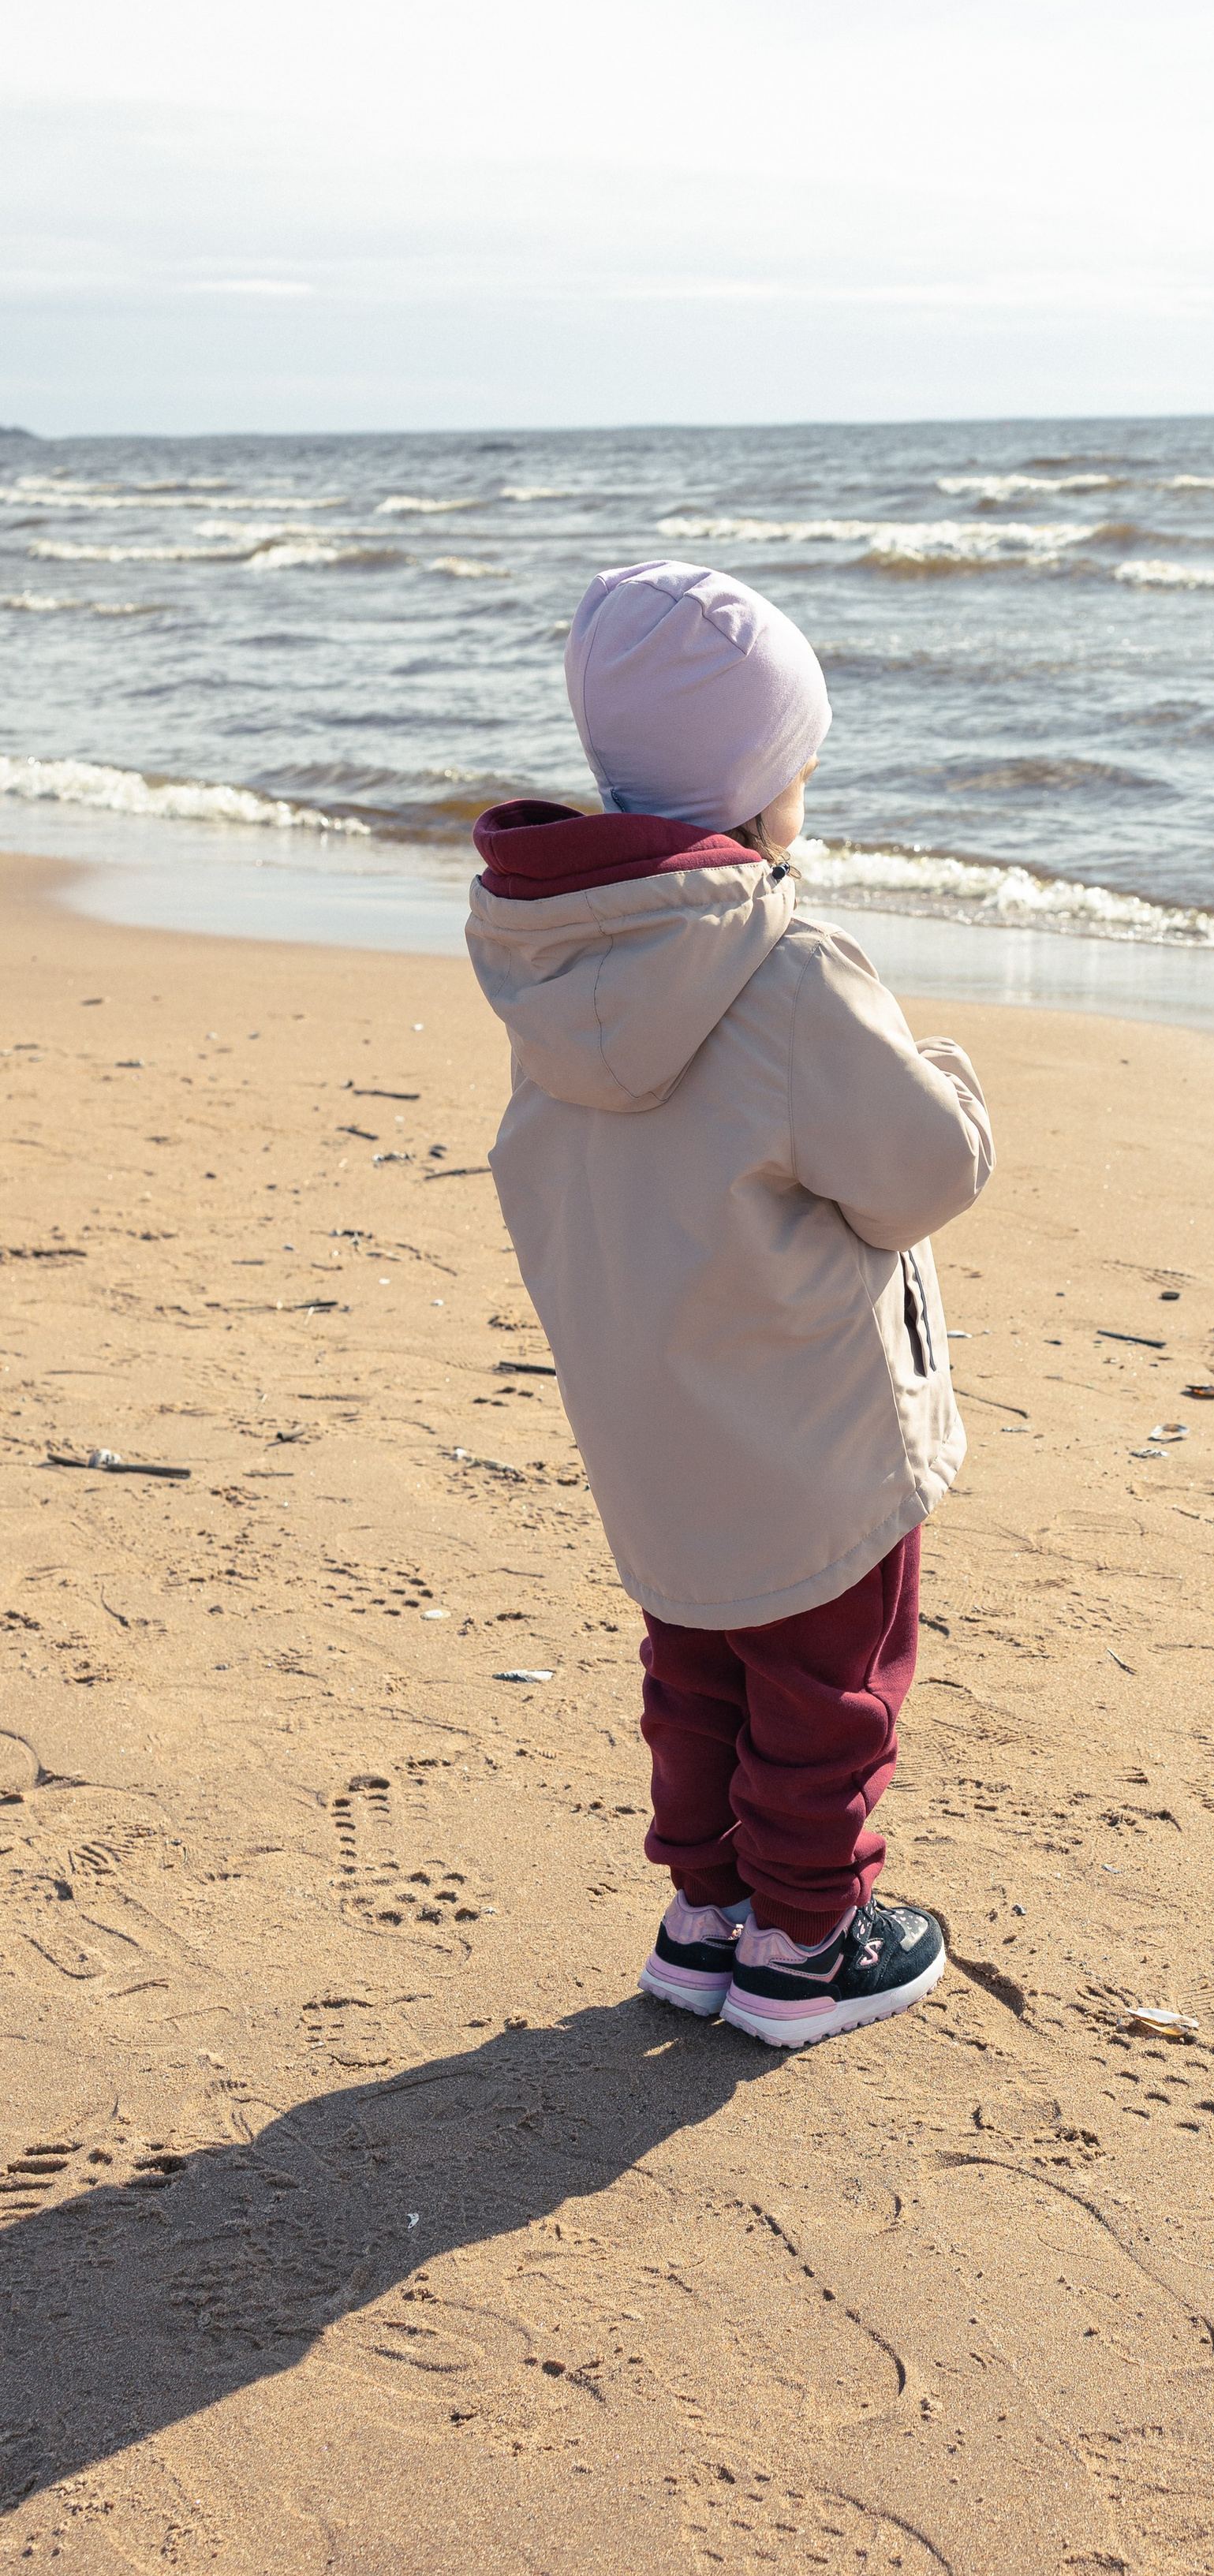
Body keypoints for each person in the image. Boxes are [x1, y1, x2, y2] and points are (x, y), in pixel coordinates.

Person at [465, 560, 992, 2047]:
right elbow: (921, 1173)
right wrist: (948, 1076)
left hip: (654, 1419)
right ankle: (807, 1944)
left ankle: (708, 1916)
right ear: (769, 783)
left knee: (696, 1672)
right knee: (831, 1688)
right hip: (807, 1420)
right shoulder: (789, 966)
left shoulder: (560, 956)